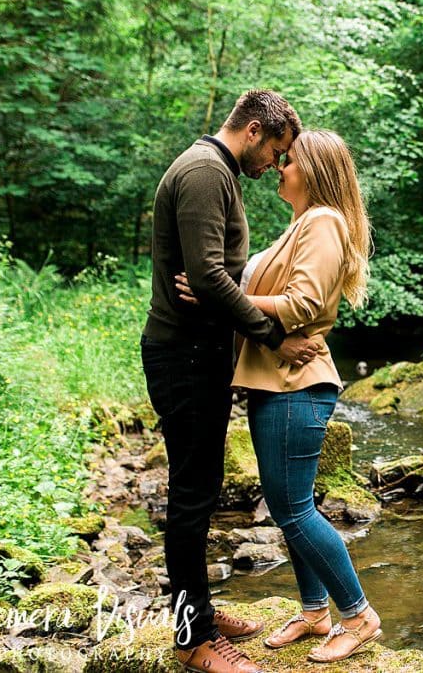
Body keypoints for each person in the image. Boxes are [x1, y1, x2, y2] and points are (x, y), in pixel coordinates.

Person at [175, 129, 381, 664]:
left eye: (288, 160)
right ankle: (315, 612)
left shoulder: (323, 222)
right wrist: (216, 286)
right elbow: (252, 284)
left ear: (312, 170)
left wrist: (222, 295)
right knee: (294, 507)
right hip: (277, 383)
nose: (278, 167)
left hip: (297, 385)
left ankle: (358, 616)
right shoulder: (301, 224)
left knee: (292, 512)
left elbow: (303, 302)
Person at [142, 89, 319, 673]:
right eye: (276, 150)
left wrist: (228, 292)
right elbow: (208, 277)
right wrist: (274, 335)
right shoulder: (202, 172)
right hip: (183, 356)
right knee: (192, 496)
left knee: (203, 488)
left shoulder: (217, 172)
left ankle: (202, 614)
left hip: (200, 354)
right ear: (252, 131)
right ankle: (193, 642)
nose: (275, 164)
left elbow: (217, 279)